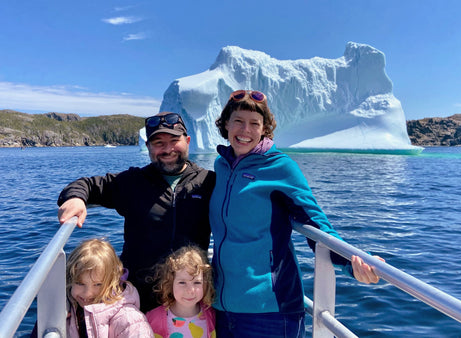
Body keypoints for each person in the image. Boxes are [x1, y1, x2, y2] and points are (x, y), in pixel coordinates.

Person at [209, 89, 385, 338]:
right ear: (226, 124)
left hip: (270, 309)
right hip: (223, 307)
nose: (245, 130)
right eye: (238, 121)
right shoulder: (222, 165)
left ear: (265, 129)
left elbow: (315, 222)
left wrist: (353, 260)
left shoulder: (280, 167)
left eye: (254, 123)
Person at [57, 112, 216, 312]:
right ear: (148, 146)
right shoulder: (134, 182)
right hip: (139, 300)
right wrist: (75, 198)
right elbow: (87, 185)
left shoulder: (208, 182)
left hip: (190, 298)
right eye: (158, 143)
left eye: (174, 140)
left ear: (188, 141)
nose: (167, 149)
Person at [65, 238, 153, 337]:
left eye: (98, 284)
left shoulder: (128, 319)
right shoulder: (68, 305)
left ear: (113, 282)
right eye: (79, 283)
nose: (87, 293)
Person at [146, 245, 216, 338]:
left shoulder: (210, 313)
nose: (190, 290)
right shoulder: (154, 318)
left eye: (197, 282)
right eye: (182, 282)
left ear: (205, 283)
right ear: (171, 283)